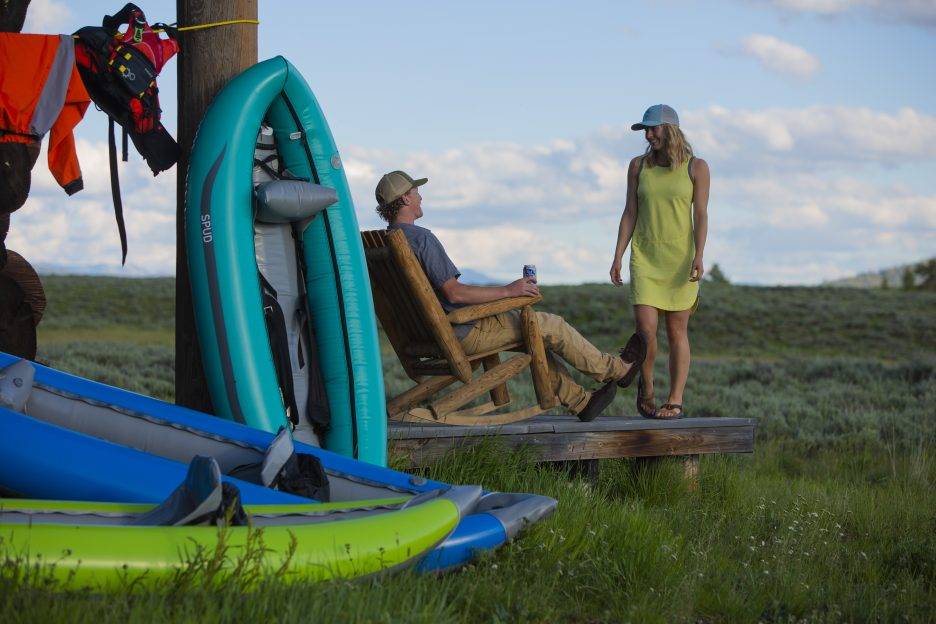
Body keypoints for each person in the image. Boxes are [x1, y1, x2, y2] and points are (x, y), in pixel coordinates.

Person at [375, 170, 646, 422]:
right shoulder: (421, 239)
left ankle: (581, 401)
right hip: (460, 332)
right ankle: (616, 370)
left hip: (425, 336)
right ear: (406, 198)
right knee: (550, 324)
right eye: (416, 191)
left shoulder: (384, 244)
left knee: (532, 332)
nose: (421, 196)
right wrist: (509, 291)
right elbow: (454, 293)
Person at [610, 104, 710, 419]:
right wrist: (617, 255)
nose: (649, 135)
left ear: (671, 129)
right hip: (646, 258)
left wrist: (699, 254)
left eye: (653, 128)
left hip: (680, 261)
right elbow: (630, 212)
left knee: (677, 332)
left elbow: (701, 214)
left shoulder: (697, 167)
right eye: (646, 130)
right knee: (645, 332)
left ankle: (675, 400)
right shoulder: (638, 166)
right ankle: (648, 385)